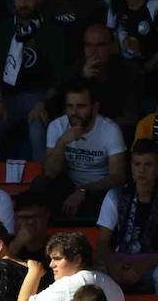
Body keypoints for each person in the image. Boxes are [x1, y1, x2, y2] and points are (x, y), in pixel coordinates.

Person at [0, 0, 64, 161]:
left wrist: (44, 102)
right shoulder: (1, 31)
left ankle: (41, 184)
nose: (23, 3)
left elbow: (59, 77)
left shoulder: (52, 31)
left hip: (40, 98)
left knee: (37, 130)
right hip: (7, 99)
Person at [95, 139, 158, 291]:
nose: (141, 170)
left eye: (148, 165)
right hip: (120, 260)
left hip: (156, 262)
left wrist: (140, 267)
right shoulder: (114, 194)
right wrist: (114, 265)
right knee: (93, 273)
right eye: (137, 164)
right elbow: (102, 242)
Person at [39, 79, 128, 220]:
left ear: (95, 107)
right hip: (69, 184)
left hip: (99, 188)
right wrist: (62, 142)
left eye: (81, 106)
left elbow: (118, 176)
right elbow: (49, 172)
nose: (74, 112)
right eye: (70, 106)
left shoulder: (110, 129)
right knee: (41, 186)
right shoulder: (57, 127)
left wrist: (84, 190)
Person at [16, 231, 125, 301]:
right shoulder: (115, 287)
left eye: (57, 259)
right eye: (51, 259)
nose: (51, 265)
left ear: (77, 260)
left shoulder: (67, 285)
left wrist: (33, 273)